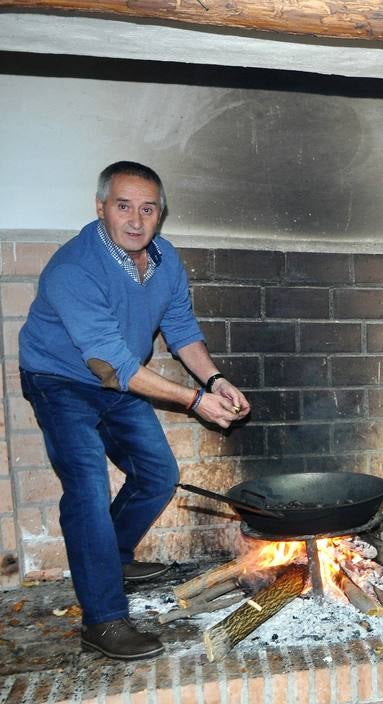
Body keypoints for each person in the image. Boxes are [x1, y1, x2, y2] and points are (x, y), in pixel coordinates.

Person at [19, 161, 250, 661]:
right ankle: (102, 620)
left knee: (158, 475)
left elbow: (182, 328)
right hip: (60, 380)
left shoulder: (164, 259)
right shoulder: (73, 269)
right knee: (87, 487)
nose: (136, 220)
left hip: (117, 379)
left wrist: (214, 379)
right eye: (123, 206)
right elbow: (115, 364)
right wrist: (194, 401)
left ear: (159, 215)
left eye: (148, 209)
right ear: (101, 207)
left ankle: (114, 557)